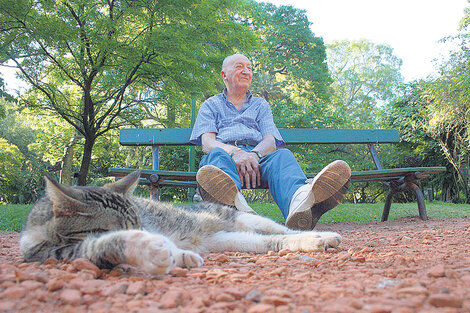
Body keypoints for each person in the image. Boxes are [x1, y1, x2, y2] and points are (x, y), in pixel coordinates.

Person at [189, 53, 351, 230]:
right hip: (225, 157)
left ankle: (300, 205)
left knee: (282, 156)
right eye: (239, 67)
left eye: (249, 68)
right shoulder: (211, 105)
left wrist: (253, 155)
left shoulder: (260, 105)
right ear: (223, 75)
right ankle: (237, 210)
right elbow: (208, 143)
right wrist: (236, 153)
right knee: (216, 156)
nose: (246, 71)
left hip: (258, 157)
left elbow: (270, 140)